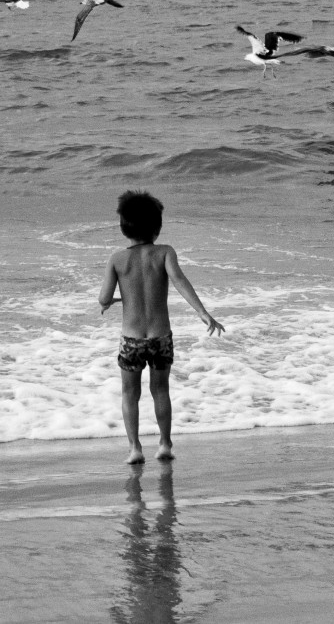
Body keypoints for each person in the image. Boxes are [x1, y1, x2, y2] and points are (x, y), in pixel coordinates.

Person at [99, 190, 224, 464]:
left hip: (131, 340)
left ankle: (134, 448)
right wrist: (203, 312)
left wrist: (116, 300)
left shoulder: (117, 259)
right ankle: (165, 443)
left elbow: (103, 298)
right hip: (160, 338)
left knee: (130, 393)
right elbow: (179, 281)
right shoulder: (165, 252)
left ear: (123, 228)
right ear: (157, 228)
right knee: (161, 390)